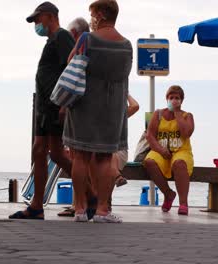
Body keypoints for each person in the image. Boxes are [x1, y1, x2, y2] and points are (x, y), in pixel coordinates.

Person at [63, 0, 132, 223]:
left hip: (84, 105)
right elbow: (123, 76)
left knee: (80, 157)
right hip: (112, 109)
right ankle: (103, 210)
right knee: (104, 158)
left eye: (92, 14)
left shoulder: (87, 39)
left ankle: (80, 209)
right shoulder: (126, 45)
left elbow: (70, 63)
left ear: (101, 15)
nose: (91, 19)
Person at [9, 2, 75, 220]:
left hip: (54, 105)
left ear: (49, 16)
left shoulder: (63, 37)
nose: (36, 24)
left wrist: (65, 104)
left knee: (52, 152)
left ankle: (92, 193)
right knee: (43, 150)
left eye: (37, 19)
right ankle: (37, 205)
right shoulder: (51, 41)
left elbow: (72, 69)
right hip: (43, 106)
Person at [144, 85, 195, 215]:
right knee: (149, 162)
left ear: (181, 100)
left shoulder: (187, 116)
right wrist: (161, 150)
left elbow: (186, 133)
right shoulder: (158, 114)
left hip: (181, 150)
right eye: (171, 97)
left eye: (177, 98)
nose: (174, 100)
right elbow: (150, 135)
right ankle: (168, 194)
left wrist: (177, 113)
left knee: (179, 163)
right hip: (161, 150)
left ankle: (183, 203)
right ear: (166, 99)